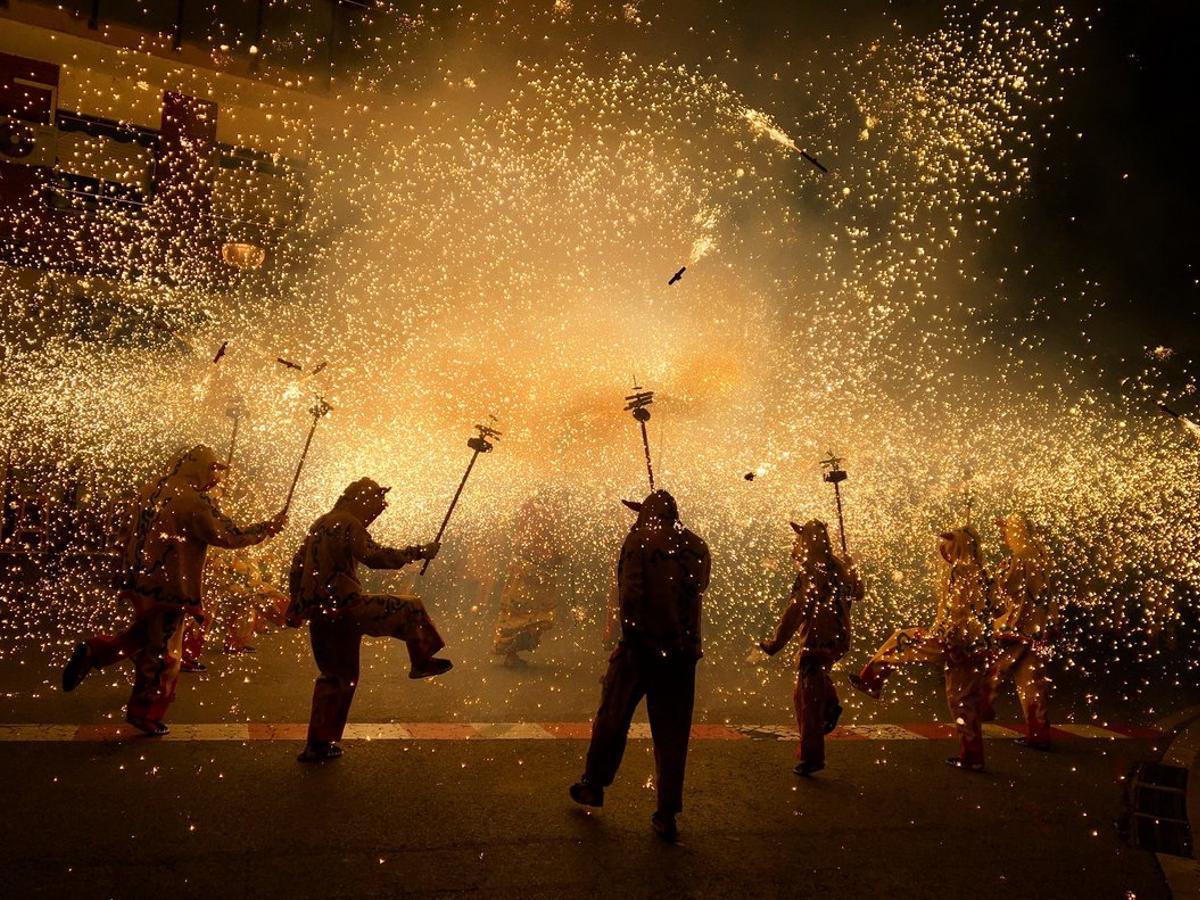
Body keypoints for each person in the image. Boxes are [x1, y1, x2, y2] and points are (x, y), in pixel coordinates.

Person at [61, 446, 286, 734]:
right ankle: (145, 713)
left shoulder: (152, 488)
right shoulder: (193, 501)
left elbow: (127, 532)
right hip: (168, 587)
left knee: (144, 635)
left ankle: (96, 651)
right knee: (164, 654)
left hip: (139, 580)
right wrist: (266, 528)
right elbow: (228, 535)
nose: (214, 476)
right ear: (196, 468)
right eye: (211, 469)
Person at [569, 490, 710, 842]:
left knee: (612, 718)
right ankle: (667, 811)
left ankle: (593, 784)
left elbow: (630, 595)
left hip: (642, 649)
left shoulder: (638, 539)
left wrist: (630, 642)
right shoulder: (697, 545)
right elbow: (698, 588)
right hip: (683, 654)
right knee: (673, 734)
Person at [288, 477, 450, 763]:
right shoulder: (349, 523)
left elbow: (298, 564)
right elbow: (374, 557)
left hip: (320, 611)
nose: (374, 513)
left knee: (336, 677)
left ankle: (318, 744)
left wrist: (296, 603)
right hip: (348, 608)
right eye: (374, 505)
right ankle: (422, 660)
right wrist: (418, 552)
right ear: (359, 500)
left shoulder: (320, 523)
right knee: (411, 607)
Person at [852, 526, 992, 771]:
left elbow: (955, 611)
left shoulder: (959, 571)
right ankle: (973, 756)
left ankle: (872, 679)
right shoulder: (982, 571)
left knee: (901, 640)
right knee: (962, 700)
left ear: (956, 544)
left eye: (947, 543)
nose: (942, 548)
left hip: (953, 641)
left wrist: (948, 638)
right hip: (977, 645)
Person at [754, 520, 862, 776]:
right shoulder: (838, 565)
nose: (795, 544)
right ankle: (829, 702)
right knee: (805, 691)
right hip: (838, 638)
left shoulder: (812, 572)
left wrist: (775, 643)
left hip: (817, 641)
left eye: (799, 539)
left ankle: (813, 755)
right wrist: (852, 568)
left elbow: (796, 611)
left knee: (807, 701)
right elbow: (858, 593)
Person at [982, 513, 1055, 750]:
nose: (1003, 535)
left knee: (993, 670)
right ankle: (1039, 733)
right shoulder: (1042, 556)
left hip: (1018, 628)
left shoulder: (1021, 558)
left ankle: (981, 711)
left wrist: (989, 578)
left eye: (1006, 530)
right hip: (1039, 628)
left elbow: (1006, 588)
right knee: (1032, 683)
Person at [493, 495, 563, 666]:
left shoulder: (538, 533)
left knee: (531, 621)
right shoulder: (525, 535)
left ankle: (513, 654)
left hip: (533, 586)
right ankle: (511, 654)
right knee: (522, 621)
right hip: (524, 586)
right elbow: (524, 556)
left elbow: (552, 555)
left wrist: (555, 557)